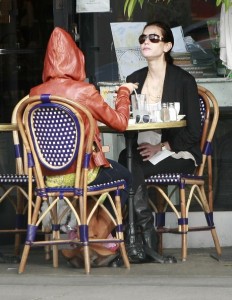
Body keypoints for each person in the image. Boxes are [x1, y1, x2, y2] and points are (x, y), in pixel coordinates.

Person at [29, 27, 138, 267]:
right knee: (126, 176)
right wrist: (123, 92)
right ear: (77, 60)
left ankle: (81, 232)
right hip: (83, 174)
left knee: (92, 191)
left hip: (49, 177)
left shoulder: (34, 95)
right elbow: (120, 123)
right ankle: (98, 236)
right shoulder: (84, 91)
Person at [118, 21, 202, 264]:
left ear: (167, 45)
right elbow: (125, 120)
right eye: (143, 38)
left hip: (179, 152)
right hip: (142, 149)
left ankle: (140, 239)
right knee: (127, 160)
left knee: (131, 168)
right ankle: (144, 240)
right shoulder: (133, 79)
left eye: (153, 38)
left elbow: (195, 131)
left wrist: (163, 146)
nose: (146, 42)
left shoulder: (183, 80)